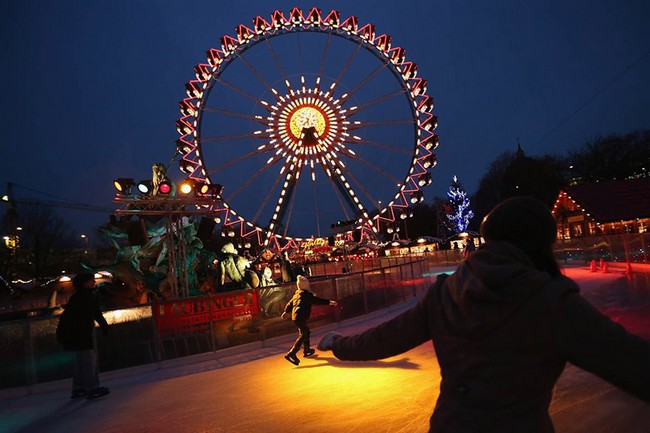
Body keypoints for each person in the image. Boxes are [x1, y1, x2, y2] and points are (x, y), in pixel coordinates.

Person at [318, 196, 650, 432]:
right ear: (540, 245)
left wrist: (338, 343)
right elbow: (627, 360)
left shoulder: (446, 292)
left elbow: (385, 338)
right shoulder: (549, 300)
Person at [56, 272, 111, 399]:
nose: (94, 282)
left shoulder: (78, 297)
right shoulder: (86, 298)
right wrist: (104, 326)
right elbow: (95, 313)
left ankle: (79, 387)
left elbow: (93, 313)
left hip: (76, 335)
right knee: (88, 361)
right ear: (84, 283)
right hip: (82, 335)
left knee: (81, 361)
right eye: (91, 281)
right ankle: (92, 388)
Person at [282, 275, 337, 366]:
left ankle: (307, 350)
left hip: (296, 316)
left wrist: (286, 312)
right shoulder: (307, 295)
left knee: (306, 332)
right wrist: (330, 302)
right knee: (304, 333)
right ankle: (292, 353)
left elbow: (290, 304)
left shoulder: (297, 294)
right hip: (300, 316)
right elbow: (318, 300)